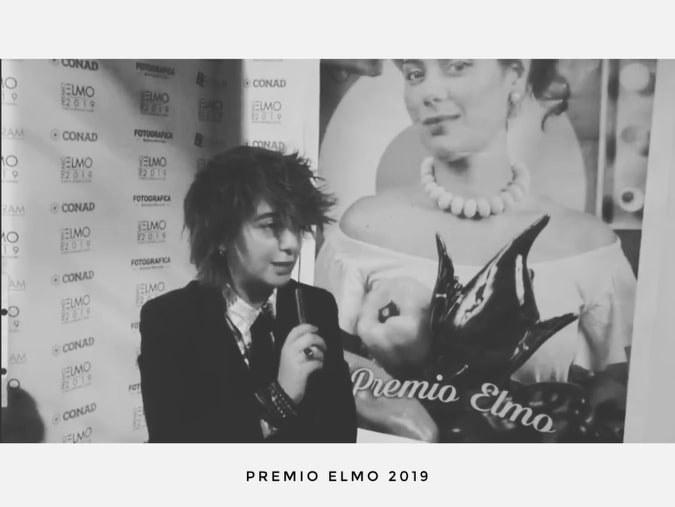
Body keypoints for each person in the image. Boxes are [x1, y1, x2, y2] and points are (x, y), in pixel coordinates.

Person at [315, 60, 636, 441]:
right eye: (415, 74)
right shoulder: (362, 231)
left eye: (457, 66)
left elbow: (624, 403)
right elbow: (320, 380)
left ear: (515, 75)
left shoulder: (590, 246)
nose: (428, 92)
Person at [138, 146, 357, 443]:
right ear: (221, 234)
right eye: (271, 226)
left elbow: (340, 434)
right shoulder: (170, 321)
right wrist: (279, 398)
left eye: (297, 226)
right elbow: (173, 445)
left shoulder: (315, 306)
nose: (291, 244)